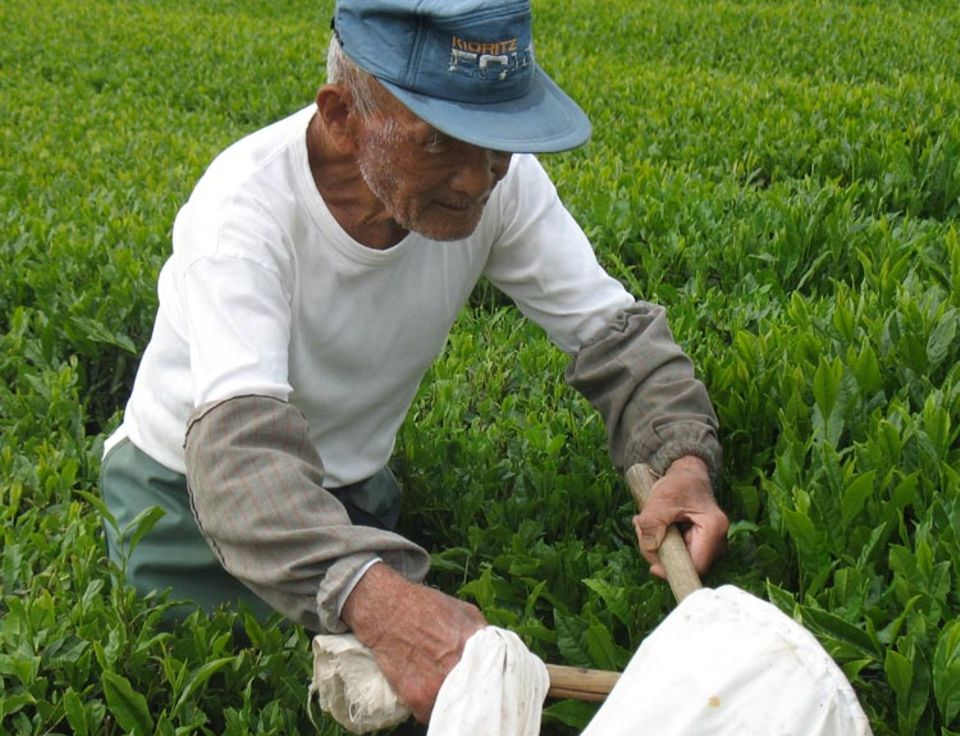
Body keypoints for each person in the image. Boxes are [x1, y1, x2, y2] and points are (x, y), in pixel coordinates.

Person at [100, 0, 729, 724]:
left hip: (348, 486)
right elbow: (237, 459)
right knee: (237, 677)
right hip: (190, 494)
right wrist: (376, 599)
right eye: (440, 144)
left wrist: (681, 461)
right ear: (341, 115)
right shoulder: (242, 213)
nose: (478, 178)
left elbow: (617, 339)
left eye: (500, 141)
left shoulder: (501, 180)